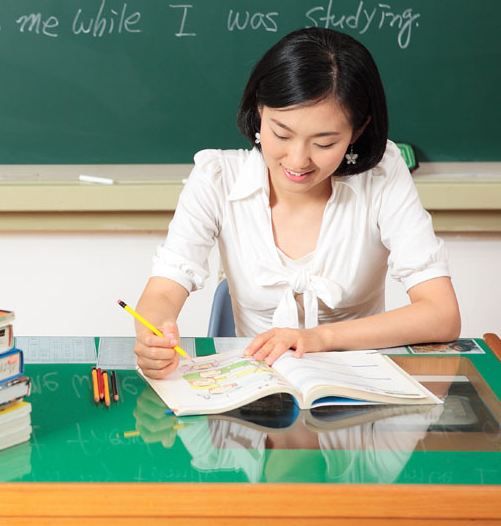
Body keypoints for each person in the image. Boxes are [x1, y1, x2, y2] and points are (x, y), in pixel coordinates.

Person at [134, 27, 461, 377]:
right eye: (281, 134)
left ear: (359, 130)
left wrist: (318, 337)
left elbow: (441, 315)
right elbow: (163, 292)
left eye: (324, 143)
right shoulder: (217, 177)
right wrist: (154, 334)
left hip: (356, 392)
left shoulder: (382, 175)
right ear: (259, 110)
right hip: (257, 394)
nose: (298, 160)